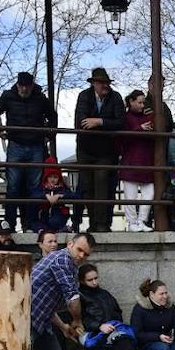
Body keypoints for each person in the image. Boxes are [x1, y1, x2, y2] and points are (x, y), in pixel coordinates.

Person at [26, 231, 93, 350]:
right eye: (80, 250)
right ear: (70, 244)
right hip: (24, 322)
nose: (82, 256)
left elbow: (47, 304)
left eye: (86, 254)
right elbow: (72, 297)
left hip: (41, 323)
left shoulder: (70, 266)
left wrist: (64, 327)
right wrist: (77, 321)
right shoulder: (61, 260)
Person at [0, 71, 57, 232]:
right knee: (13, 186)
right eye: (22, 86)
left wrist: (49, 135)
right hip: (17, 144)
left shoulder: (40, 98)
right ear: (18, 85)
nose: (24, 89)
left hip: (34, 145)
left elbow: (53, 116)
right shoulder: (8, 96)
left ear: (31, 86)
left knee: (33, 187)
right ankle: (10, 224)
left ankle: (30, 223)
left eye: (27, 86)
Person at [78, 262, 146, 350]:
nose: (94, 282)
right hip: (91, 334)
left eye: (96, 278)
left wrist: (114, 325)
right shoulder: (79, 296)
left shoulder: (104, 294)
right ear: (82, 280)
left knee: (126, 342)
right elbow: (79, 319)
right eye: (90, 280)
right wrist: (99, 326)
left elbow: (116, 311)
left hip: (111, 330)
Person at [74, 67, 125, 234]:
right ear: (94, 83)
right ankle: (93, 223)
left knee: (102, 183)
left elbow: (120, 122)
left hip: (106, 150)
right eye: (101, 83)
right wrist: (102, 124)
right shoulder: (84, 96)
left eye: (106, 83)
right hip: (85, 149)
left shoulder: (115, 97)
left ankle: (102, 224)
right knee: (88, 187)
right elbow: (80, 121)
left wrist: (99, 122)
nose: (104, 86)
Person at [116, 89, 154, 232]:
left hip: (146, 161)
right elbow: (121, 138)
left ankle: (142, 221)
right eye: (139, 102)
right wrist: (140, 129)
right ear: (131, 102)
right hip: (130, 160)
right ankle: (132, 222)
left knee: (149, 194)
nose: (142, 105)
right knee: (130, 196)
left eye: (143, 102)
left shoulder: (147, 117)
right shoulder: (125, 118)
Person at [31, 158, 74, 233]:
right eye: (50, 177)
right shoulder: (42, 187)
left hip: (58, 216)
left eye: (55, 177)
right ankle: (48, 229)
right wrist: (46, 195)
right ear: (46, 177)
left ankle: (48, 229)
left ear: (59, 178)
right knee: (34, 223)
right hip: (44, 215)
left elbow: (74, 196)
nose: (52, 179)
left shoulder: (62, 187)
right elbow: (33, 195)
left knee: (53, 222)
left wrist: (60, 195)